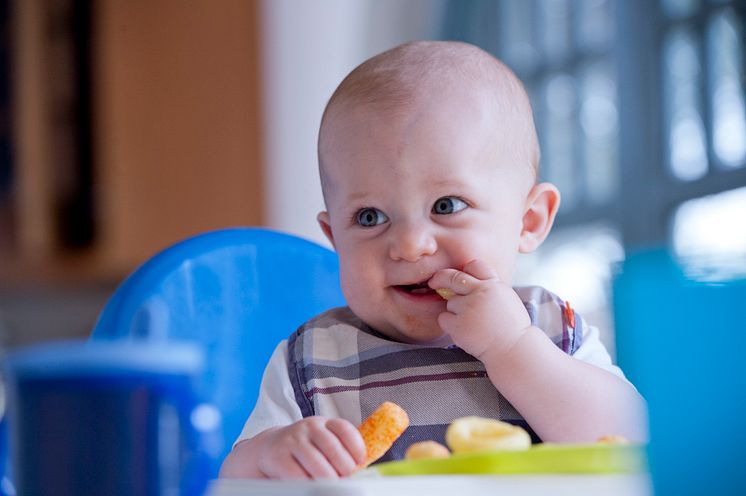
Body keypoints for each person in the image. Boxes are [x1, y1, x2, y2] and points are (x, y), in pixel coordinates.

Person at [219, 40, 647, 480]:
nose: (409, 245)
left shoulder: (551, 328)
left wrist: (513, 347)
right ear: (335, 239)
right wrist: (273, 454)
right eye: (370, 217)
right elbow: (231, 484)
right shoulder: (313, 360)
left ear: (529, 220)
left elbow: (632, 442)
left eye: (446, 205)